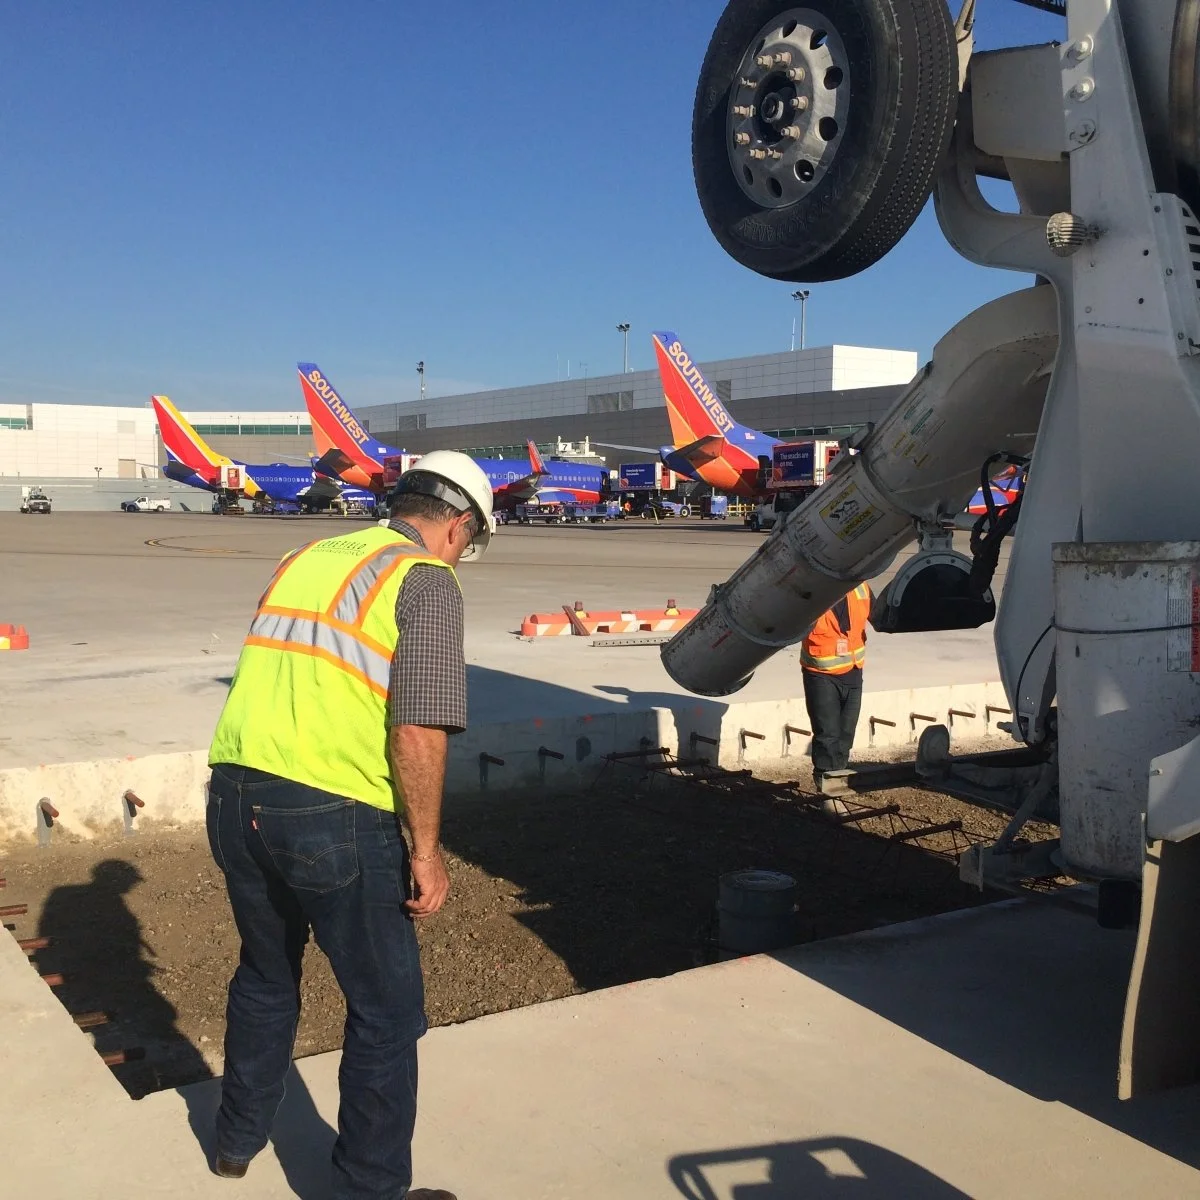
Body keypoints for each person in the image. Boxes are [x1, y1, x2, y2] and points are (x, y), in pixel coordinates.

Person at [205, 450, 495, 1200]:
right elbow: (419, 730)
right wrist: (426, 851)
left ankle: (235, 1145)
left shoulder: (308, 553)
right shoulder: (425, 579)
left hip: (235, 794)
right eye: (469, 542)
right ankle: (369, 1190)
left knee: (267, 978)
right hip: (330, 812)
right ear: (458, 524)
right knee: (387, 1013)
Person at [801, 583, 872, 787]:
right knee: (827, 736)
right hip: (822, 675)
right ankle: (825, 791)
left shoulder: (861, 587)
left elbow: (882, 617)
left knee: (845, 736)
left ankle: (838, 785)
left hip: (853, 672)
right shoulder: (811, 587)